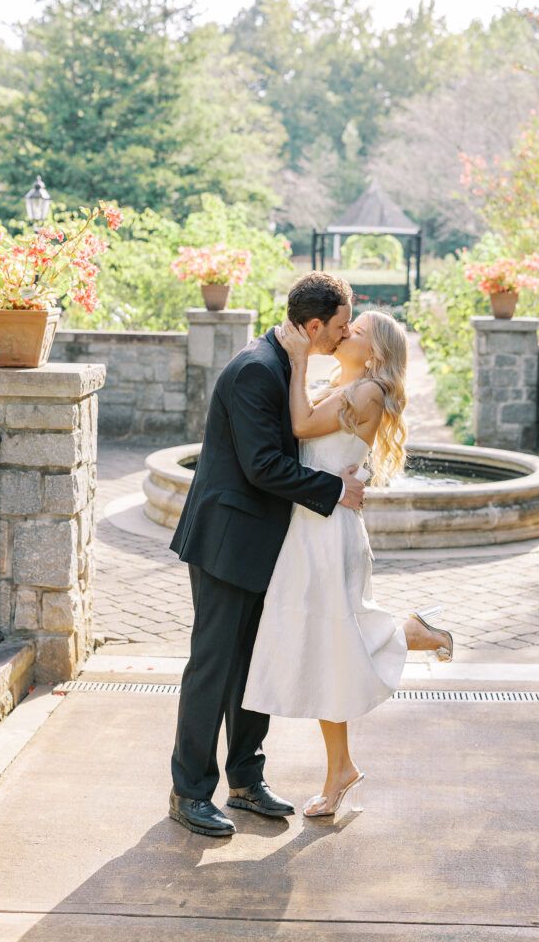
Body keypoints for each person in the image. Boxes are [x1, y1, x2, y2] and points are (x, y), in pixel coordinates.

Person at [168, 272, 366, 838]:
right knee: (213, 667)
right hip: (227, 543)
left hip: (265, 545)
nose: (345, 333)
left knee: (255, 666)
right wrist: (335, 490)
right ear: (313, 325)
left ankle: (245, 781)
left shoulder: (288, 363)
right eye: (340, 325)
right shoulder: (256, 369)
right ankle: (189, 791)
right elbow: (262, 466)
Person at [242, 308, 453, 817]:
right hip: (311, 525)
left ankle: (410, 633)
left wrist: (298, 359)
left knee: (331, 643)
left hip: (330, 534)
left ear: (375, 351)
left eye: (355, 331)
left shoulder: (368, 392)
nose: (344, 332)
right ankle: (342, 768)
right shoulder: (339, 383)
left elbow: (299, 424)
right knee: (326, 647)